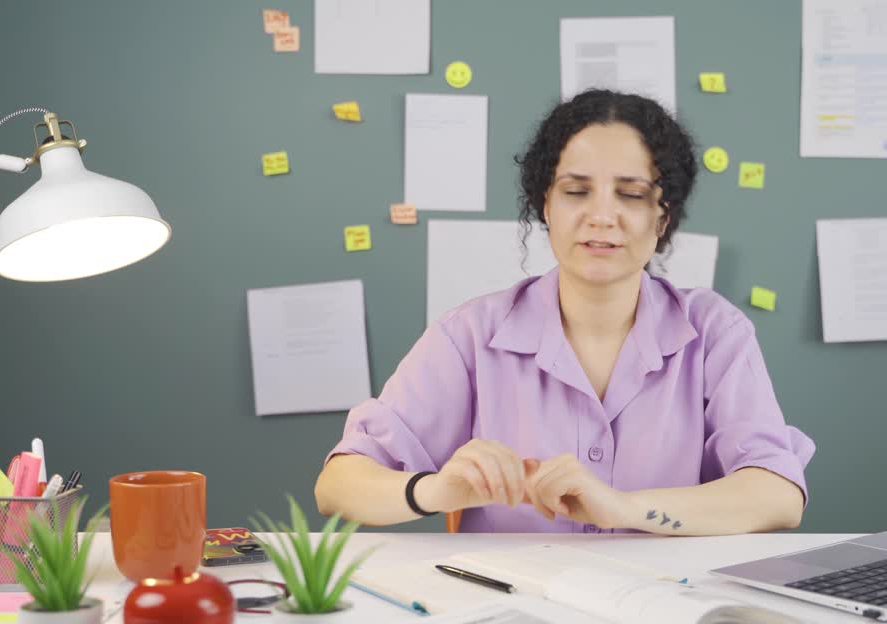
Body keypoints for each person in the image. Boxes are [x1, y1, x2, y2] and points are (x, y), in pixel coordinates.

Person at [316, 89, 814, 535]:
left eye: (632, 194)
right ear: (545, 206)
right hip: (508, 614)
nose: (601, 215)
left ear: (662, 217)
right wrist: (435, 490)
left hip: (666, 611)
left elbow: (778, 494)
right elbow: (338, 486)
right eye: (576, 191)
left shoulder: (714, 332)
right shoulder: (468, 335)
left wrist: (621, 508)